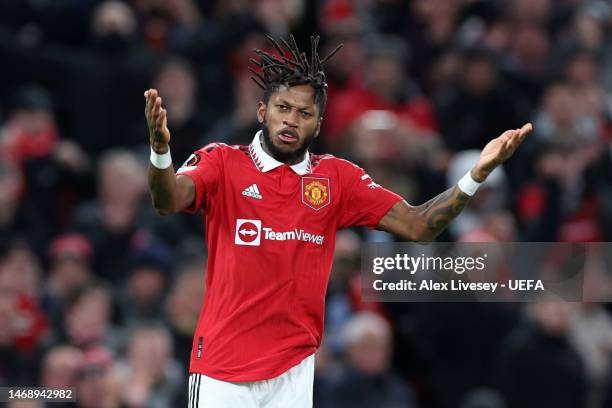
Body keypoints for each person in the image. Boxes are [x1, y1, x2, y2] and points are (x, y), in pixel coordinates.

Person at [143, 34, 532, 407]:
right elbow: (168, 200)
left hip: (293, 371)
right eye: (282, 109)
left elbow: (420, 226)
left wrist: (475, 176)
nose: (291, 121)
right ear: (263, 111)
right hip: (222, 369)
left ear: (318, 122)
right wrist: (161, 152)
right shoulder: (223, 162)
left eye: (304, 113)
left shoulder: (337, 179)